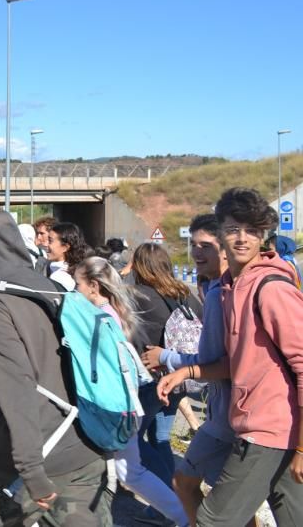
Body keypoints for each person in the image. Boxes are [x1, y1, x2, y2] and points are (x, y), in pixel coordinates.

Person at [157, 188, 303, 526]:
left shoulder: (271, 288)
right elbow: (242, 363)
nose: (242, 238)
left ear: (263, 236)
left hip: (267, 428)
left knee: (212, 521)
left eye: (252, 231)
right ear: (221, 232)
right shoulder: (229, 288)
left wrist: (302, 448)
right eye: (234, 228)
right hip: (259, 424)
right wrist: (187, 370)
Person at [0, 207, 109, 526]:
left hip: (44, 447)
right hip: (87, 436)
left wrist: (32, 471)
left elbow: (18, 388)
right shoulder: (49, 286)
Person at [139, 214, 242, 526]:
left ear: (225, 248)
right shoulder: (202, 291)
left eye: (205, 246)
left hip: (236, 412)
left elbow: (222, 361)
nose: (196, 252)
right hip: (211, 403)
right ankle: (173, 510)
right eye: (193, 245)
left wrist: (170, 360)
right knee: (181, 474)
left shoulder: (229, 294)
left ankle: (170, 507)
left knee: (126, 440)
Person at [74, 257, 189, 526]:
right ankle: (184, 516)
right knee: (130, 470)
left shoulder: (101, 317)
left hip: (117, 403)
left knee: (130, 467)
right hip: (127, 399)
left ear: (93, 286)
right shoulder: (114, 311)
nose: (74, 290)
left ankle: (184, 516)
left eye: (78, 284)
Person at [131, 242, 203, 490]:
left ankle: (165, 496)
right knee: (161, 438)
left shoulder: (137, 295)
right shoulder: (185, 294)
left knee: (133, 440)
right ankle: (172, 495)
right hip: (180, 375)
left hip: (150, 378)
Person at [46, 222, 89, 291]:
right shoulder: (78, 270)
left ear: (65, 247)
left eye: (50, 241)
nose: (46, 244)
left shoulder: (60, 277)